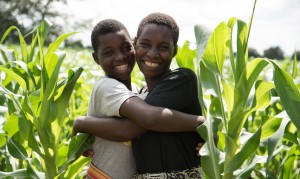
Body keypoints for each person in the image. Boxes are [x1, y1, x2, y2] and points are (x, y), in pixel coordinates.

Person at [73, 17, 205, 179]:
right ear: (136, 45)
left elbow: (141, 122)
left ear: (175, 51)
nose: (153, 54)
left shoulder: (180, 80)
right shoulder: (117, 91)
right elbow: (138, 123)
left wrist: (83, 123)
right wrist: (202, 124)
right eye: (145, 44)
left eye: (163, 47)